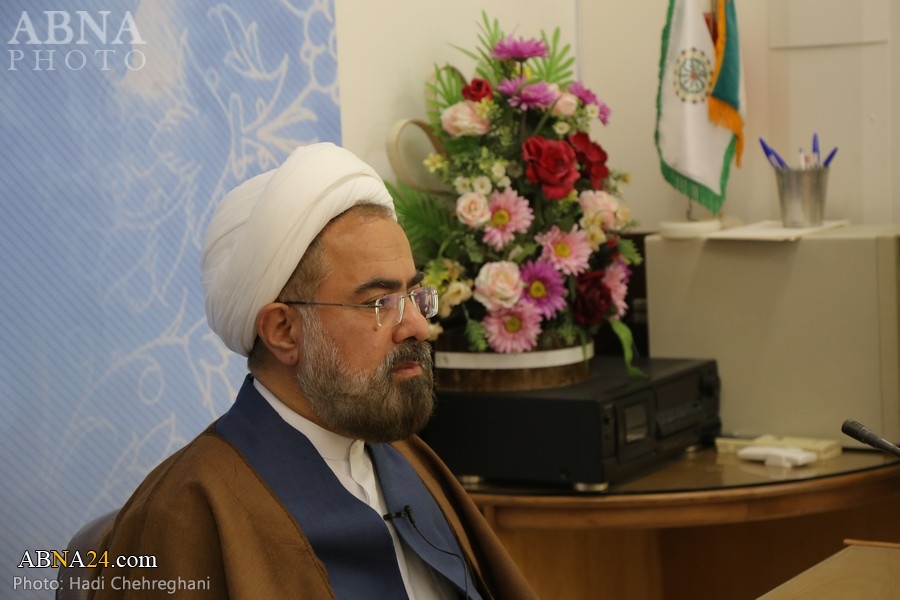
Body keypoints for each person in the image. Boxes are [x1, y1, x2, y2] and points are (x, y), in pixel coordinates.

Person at [87, 143, 539, 599]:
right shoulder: (187, 510)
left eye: (414, 295)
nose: (418, 327)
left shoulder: (407, 459)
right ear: (283, 331)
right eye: (379, 303)